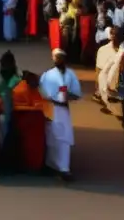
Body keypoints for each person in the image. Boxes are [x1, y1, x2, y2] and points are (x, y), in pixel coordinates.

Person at [39, 47, 81, 181]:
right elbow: (42, 94)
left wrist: (69, 96)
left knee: (65, 139)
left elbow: (77, 93)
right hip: (52, 109)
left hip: (64, 110)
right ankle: (51, 165)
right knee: (52, 137)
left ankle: (64, 168)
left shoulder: (71, 75)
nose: (58, 60)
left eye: (60, 57)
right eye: (56, 57)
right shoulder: (48, 75)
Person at [10, 71, 47, 173]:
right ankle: (32, 165)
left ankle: (34, 164)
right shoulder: (21, 90)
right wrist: (32, 108)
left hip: (33, 120)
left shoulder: (30, 88)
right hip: (26, 120)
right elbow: (16, 107)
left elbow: (39, 102)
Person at [0, 50, 21, 153]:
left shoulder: (15, 81)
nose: (2, 69)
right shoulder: (4, 81)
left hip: (12, 116)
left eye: (4, 66)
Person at [96, 27, 124, 114]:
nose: (114, 36)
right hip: (108, 88)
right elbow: (99, 71)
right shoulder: (103, 50)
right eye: (112, 34)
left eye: (116, 35)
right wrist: (99, 91)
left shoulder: (123, 51)